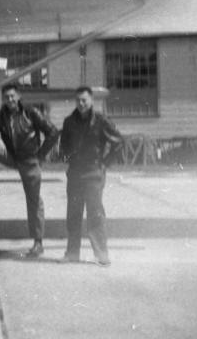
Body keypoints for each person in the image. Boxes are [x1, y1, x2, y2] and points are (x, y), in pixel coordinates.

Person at [0, 83, 59, 257]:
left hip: (30, 160)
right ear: (3, 99)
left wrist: (41, 155)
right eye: (6, 97)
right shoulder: (2, 115)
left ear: (18, 96)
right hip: (12, 157)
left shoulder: (31, 112)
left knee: (34, 201)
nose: (10, 100)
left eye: (12, 96)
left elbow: (53, 132)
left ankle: (38, 243)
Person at [59, 85, 123, 266]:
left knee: (95, 213)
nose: (81, 104)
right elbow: (63, 146)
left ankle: (101, 254)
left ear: (91, 101)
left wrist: (105, 163)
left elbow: (118, 142)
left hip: (93, 173)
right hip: (75, 174)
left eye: (84, 100)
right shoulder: (69, 122)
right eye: (78, 100)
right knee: (73, 214)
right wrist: (69, 159)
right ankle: (72, 253)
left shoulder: (101, 121)